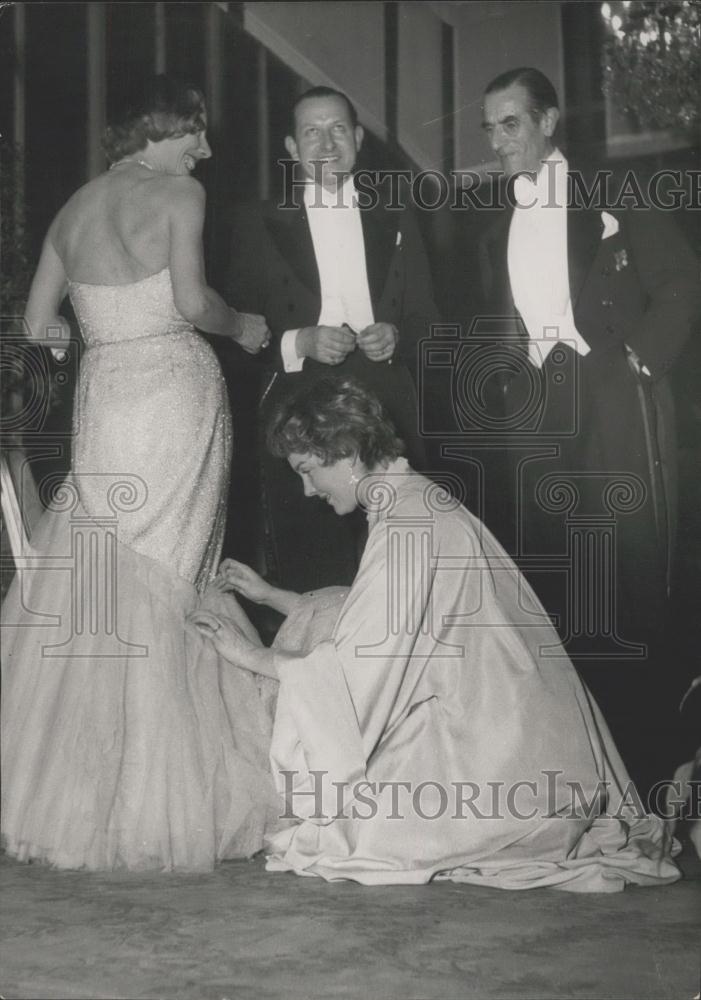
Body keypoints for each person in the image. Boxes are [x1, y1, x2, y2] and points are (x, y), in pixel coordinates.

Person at [191, 376, 680, 890]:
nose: (308, 490)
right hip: (520, 725)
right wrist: (273, 597)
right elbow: (381, 618)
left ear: (349, 453)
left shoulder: (405, 525)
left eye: (309, 471)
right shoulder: (416, 500)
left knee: (352, 834)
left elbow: (355, 667)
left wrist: (245, 653)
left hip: (499, 750)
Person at [0, 75, 281, 871]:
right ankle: (170, 797)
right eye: (195, 131)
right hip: (172, 390)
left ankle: (84, 798)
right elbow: (193, 303)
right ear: (159, 131)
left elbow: (34, 324)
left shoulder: (73, 209)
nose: (205, 148)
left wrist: (91, 336)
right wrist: (245, 326)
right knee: (176, 570)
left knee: (106, 572)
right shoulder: (180, 197)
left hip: (107, 394)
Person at [475, 67, 700, 796]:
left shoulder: (612, 191)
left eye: (510, 123)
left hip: (611, 393)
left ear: (547, 122)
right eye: (488, 127)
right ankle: (583, 777)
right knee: (560, 582)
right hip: (537, 408)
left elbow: (682, 282)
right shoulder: (488, 212)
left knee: (632, 579)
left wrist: (638, 360)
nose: (497, 139)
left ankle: (655, 772)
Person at [221, 85, 439, 593]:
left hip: (386, 402)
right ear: (293, 148)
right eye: (311, 132)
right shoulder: (256, 221)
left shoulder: (398, 214)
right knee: (312, 565)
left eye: (338, 128)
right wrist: (299, 341)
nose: (326, 143)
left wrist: (398, 336)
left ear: (359, 139)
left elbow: (430, 318)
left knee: (401, 563)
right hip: (300, 405)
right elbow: (234, 335)